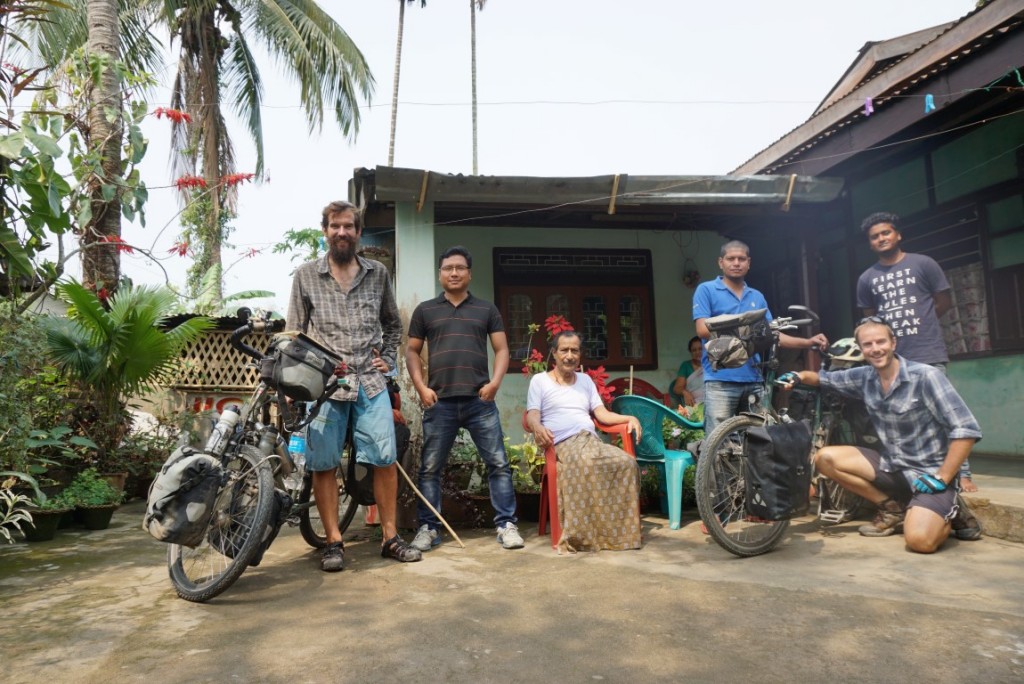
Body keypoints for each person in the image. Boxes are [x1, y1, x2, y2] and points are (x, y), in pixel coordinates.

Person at [286, 200, 421, 572]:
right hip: (324, 385)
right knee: (324, 463)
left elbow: (393, 324)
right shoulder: (305, 276)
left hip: (371, 382)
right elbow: (294, 334)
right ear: (325, 230)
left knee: (384, 459)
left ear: (358, 233)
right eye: (335, 226)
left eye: (348, 226)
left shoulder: (377, 274)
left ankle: (390, 537)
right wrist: (292, 382)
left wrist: (388, 360)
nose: (341, 232)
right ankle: (333, 542)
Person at [776, 317, 983, 553]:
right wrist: (798, 376)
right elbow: (823, 378)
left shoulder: (926, 376)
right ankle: (892, 508)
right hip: (892, 466)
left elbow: (965, 429)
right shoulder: (864, 376)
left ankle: (951, 508)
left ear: (893, 343)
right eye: (868, 345)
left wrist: (944, 477)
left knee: (919, 542)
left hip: (930, 476)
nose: (875, 349)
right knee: (825, 458)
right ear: (862, 349)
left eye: (880, 342)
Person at [405, 246, 523, 552]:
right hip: (439, 402)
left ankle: (506, 525)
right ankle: (429, 528)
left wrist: (495, 383)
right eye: (447, 268)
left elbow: (502, 350)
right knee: (430, 469)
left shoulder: (486, 310)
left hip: (479, 402)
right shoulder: (425, 311)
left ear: (469, 273)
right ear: (440, 274)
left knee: (497, 463)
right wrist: (421, 387)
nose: (454, 273)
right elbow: (412, 351)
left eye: (459, 268)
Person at [856, 211, 976, 491]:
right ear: (870, 243)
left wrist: (922, 324)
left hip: (926, 350)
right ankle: (911, 471)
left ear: (898, 234)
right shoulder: (867, 278)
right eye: (875, 237)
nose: (881, 239)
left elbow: (942, 301)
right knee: (901, 418)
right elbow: (870, 320)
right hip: (891, 359)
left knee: (946, 415)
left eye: (886, 233)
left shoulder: (924, 264)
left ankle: (963, 473)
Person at [693, 240, 828, 437]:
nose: (736, 263)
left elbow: (773, 335)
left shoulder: (756, 296)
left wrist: (808, 342)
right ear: (720, 262)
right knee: (718, 443)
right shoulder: (706, 290)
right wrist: (745, 325)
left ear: (749, 263)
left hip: (754, 379)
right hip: (720, 379)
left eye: (741, 259)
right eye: (731, 259)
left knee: (757, 442)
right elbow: (702, 330)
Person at [525, 330, 643, 553]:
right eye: (564, 350)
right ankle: (583, 537)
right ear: (554, 353)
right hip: (562, 444)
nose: (569, 355)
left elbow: (602, 415)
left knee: (625, 463)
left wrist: (629, 417)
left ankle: (619, 536)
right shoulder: (539, 381)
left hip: (590, 441)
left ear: (580, 355)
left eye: (574, 351)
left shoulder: (586, 381)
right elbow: (532, 414)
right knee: (585, 462)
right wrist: (537, 427)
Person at [668, 335, 704, 407]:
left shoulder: (711, 365)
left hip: (712, 403)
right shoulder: (686, 366)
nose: (697, 352)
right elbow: (677, 388)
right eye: (694, 350)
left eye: (701, 349)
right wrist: (685, 393)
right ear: (690, 352)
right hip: (693, 405)